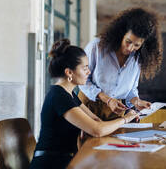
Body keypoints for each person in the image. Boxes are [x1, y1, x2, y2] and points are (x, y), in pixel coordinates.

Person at [29, 39, 138, 169]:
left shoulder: (70, 94)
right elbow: (97, 130)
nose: (89, 72)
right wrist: (126, 118)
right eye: (85, 68)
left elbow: (95, 120)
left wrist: (118, 114)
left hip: (67, 160)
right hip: (51, 164)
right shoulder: (59, 96)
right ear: (69, 72)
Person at [78, 7, 163, 120]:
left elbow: (130, 89)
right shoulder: (96, 47)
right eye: (128, 41)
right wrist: (107, 99)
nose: (130, 48)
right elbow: (82, 80)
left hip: (115, 111)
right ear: (121, 34)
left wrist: (136, 101)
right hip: (88, 107)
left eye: (137, 45)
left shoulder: (138, 58)